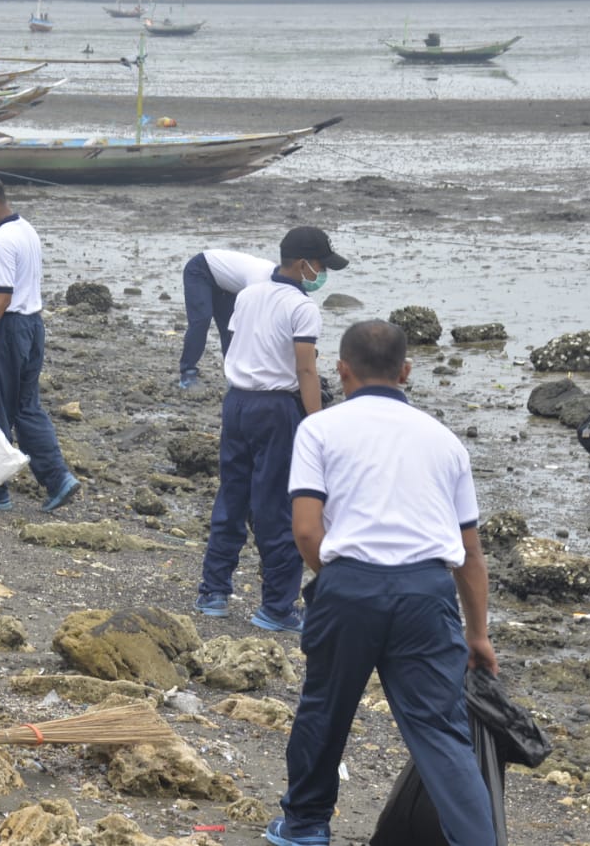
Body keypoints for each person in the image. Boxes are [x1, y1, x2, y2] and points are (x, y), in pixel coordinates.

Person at [267, 320, 498, 846]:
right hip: (427, 593)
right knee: (441, 731)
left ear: (342, 370)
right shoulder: (444, 441)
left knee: (325, 710)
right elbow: (469, 553)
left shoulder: (320, 429)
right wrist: (478, 633)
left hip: (348, 586)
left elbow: (306, 531)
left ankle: (306, 824)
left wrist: (341, 581)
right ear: (406, 371)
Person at [193, 226, 347, 630]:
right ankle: (277, 607)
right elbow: (306, 370)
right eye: (321, 266)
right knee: (276, 505)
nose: (321, 274)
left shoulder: (248, 294)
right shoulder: (302, 307)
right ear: (303, 264)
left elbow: (240, 343)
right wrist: (316, 424)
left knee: (232, 495)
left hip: (237, 402)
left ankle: (214, 591)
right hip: (277, 408)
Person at [0, 171, 80, 514]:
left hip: (6, 330)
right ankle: (58, 478)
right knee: (26, 407)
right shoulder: (26, 230)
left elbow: (2, 298)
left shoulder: (0, 243)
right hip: (32, 326)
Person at [178, 249, 274, 389]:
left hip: (225, 284)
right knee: (201, 320)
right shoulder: (259, 281)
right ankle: (188, 373)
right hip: (201, 269)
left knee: (230, 328)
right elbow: (251, 317)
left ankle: (234, 377)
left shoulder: (277, 283)